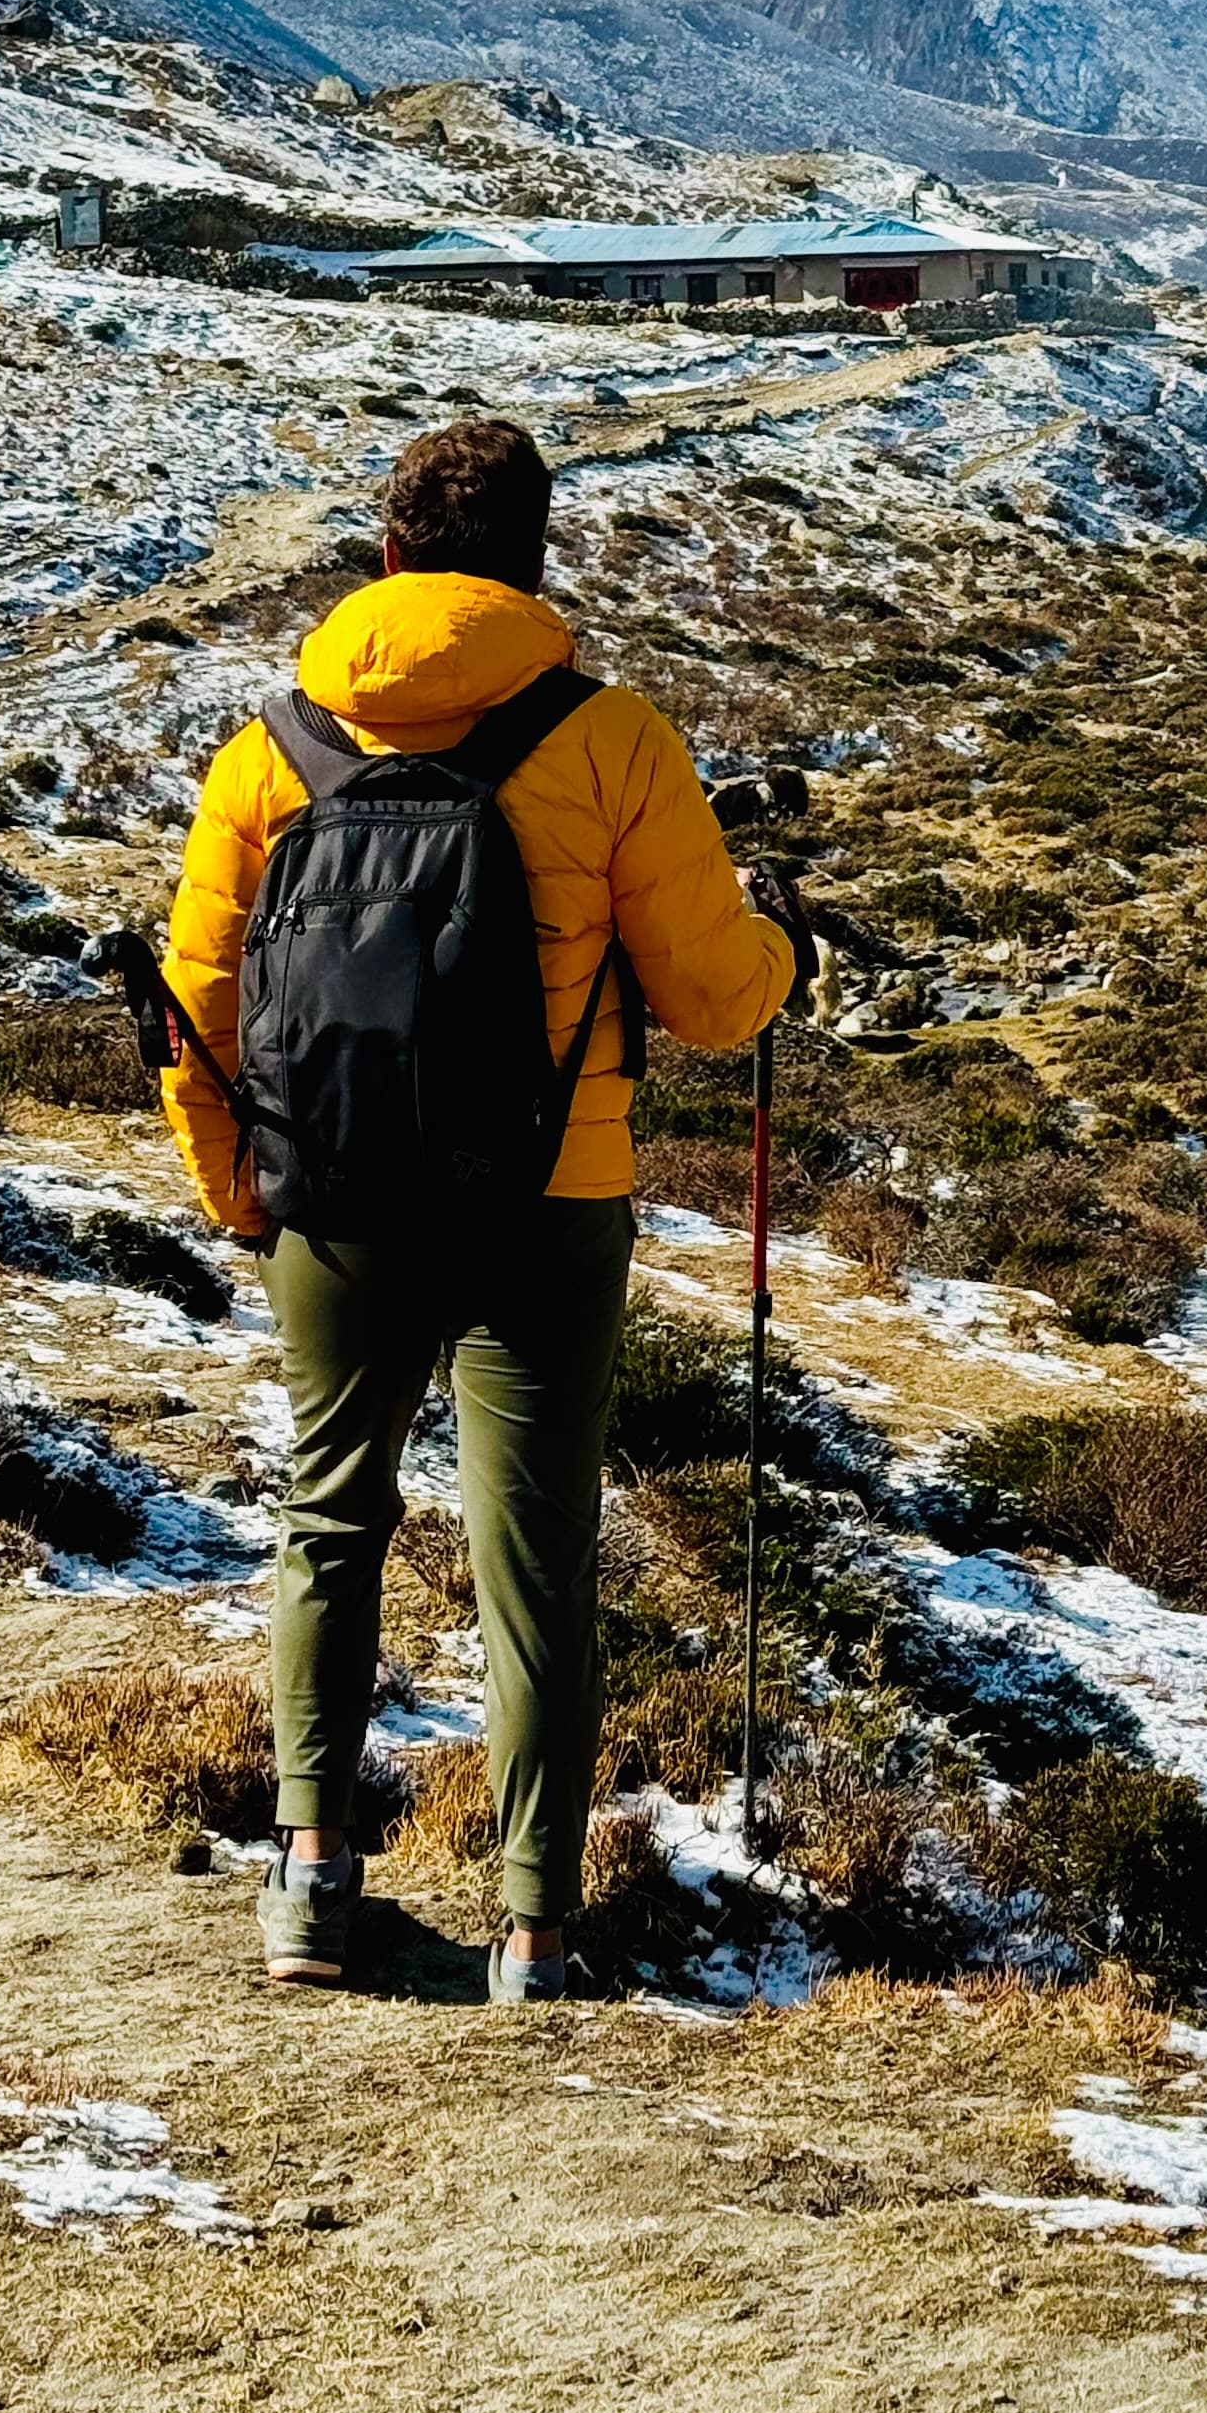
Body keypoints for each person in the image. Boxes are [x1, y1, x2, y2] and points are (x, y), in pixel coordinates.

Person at [159, 413, 795, 1998]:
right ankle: (533, 1926)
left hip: (335, 1193)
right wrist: (788, 951)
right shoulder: (613, 739)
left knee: (329, 1519)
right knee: (534, 1561)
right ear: (533, 567)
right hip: (548, 1198)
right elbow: (717, 1000)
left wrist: (242, 1189)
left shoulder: (271, 750)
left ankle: (310, 1879)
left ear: (386, 557)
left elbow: (196, 1003)